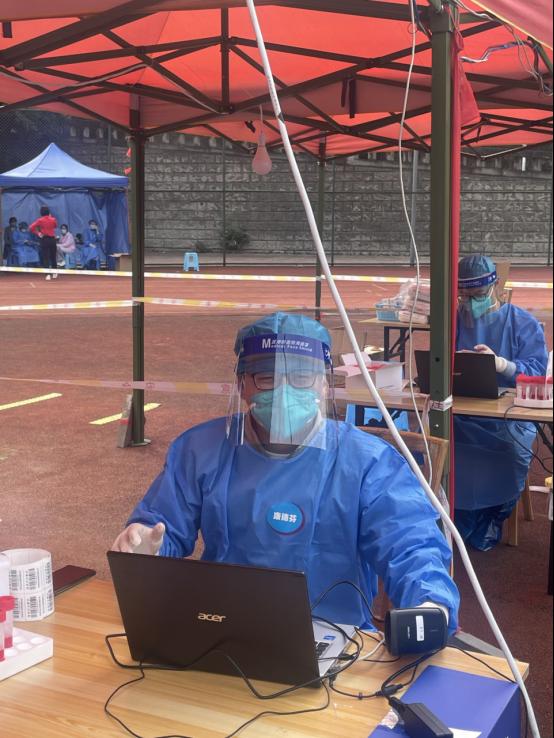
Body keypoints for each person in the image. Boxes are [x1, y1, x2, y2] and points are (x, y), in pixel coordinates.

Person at [112, 312, 459, 631]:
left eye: (302, 377)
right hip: (222, 624)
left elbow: (410, 543)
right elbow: (162, 526)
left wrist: (430, 602)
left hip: (335, 634)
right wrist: (143, 548)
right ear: (242, 385)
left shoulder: (369, 463)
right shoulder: (200, 449)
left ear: (324, 385)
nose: (285, 391)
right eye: (267, 378)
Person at [454, 255, 548, 551]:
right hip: (461, 412)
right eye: (464, 296)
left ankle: (493, 513)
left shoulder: (521, 322)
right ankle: (455, 514)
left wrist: (503, 365)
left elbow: (539, 373)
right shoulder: (453, 321)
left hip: (509, 418)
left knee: (508, 449)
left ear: (496, 287)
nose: (470, 303)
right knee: (439, 442)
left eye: (478, 295)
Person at [29, 206, 58, 280]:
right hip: (52, 239)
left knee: (46, 257)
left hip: (44, 239)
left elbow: (31, 228)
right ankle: (55, 273)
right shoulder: (53, 219)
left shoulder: (40, 220)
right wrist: (50, 217)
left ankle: (48, 275)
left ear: (41, 212)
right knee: (53, 256)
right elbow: (55, 226)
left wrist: (38, 233)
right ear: (49, 212)